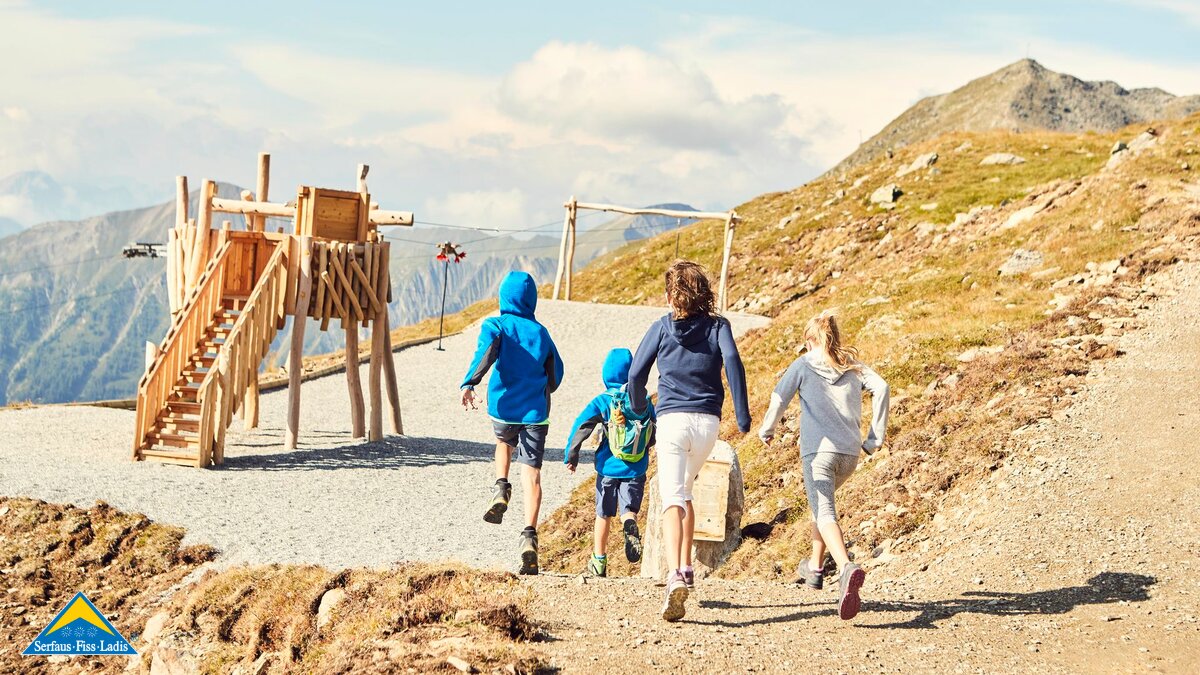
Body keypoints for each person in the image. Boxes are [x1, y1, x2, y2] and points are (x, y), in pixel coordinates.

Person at [628, 260, 751, 622]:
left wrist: (640, 408)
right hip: (707, 424)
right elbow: (733, 360)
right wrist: (742, 415)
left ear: (671, 296)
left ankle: (674, 575)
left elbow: (635, 374)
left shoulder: (661, 327)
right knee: (686, 490)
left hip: (672, 421)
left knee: (671, 497)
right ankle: (687, 567)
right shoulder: (719, 326)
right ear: (703, 293)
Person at [758, 311, 890, 621]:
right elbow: (882, 387)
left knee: (824, 511)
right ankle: (815, 567)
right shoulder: (852, 365)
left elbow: (779, 397)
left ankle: (845, 568)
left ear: (809, 341)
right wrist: (874, 439)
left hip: (818, 453)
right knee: (821, 506)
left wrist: (767, 429)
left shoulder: (803, 364)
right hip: (850, 455)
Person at [460, 271, 564, 575]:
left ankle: (501, 487)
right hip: (536, 413)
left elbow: (485, 354)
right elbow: (556, 373)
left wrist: (469, 383)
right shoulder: (541, 332)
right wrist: (543, 388)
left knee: (504, 442)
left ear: (504, 296)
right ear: (531, 300)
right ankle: (529, 535)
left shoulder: (496, 325)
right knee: (533, 474)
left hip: (504, 406)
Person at [564, 348, 655, 577]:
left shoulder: (603, 401)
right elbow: (653, 431)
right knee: (629, 509)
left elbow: (581, 425)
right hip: (635, 468)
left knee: (603, 514)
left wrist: (571, 455)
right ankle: (629, 525)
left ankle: (599, 561)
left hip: (607, 469)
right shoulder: (643, 400)